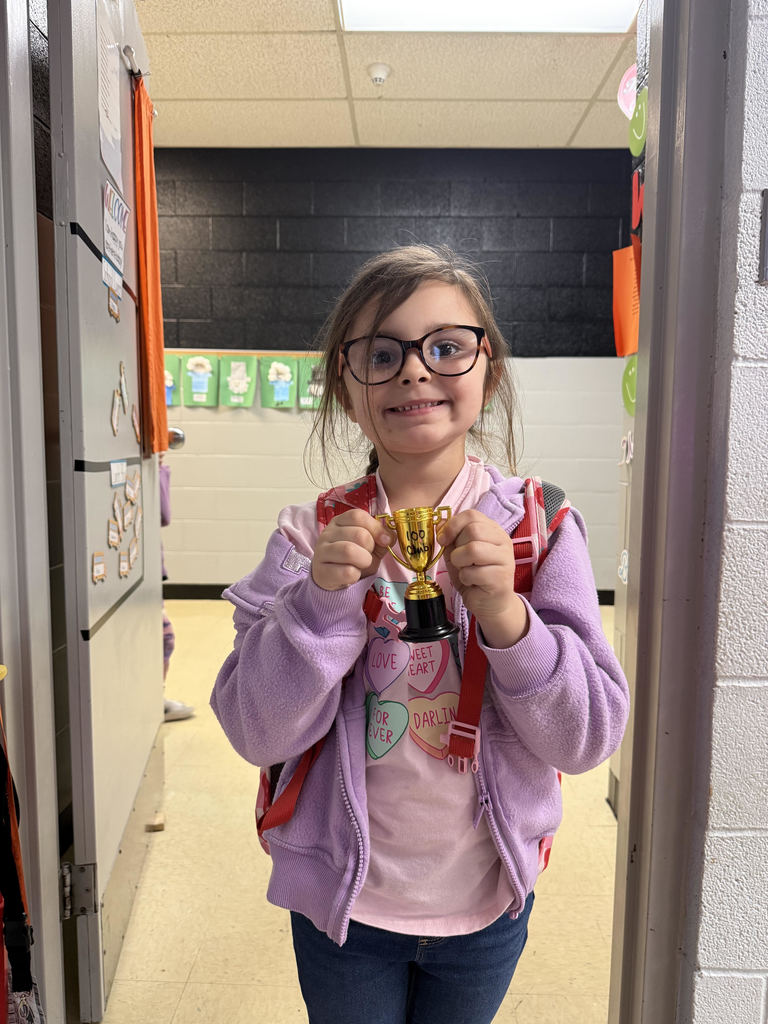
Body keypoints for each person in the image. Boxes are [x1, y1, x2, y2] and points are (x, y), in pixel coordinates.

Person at [210, 245, 629, 1024]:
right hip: (344, 907)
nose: (413, 371)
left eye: (445, 346)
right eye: (381, 353)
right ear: (346, 382)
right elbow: (254, 728)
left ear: (488, 369)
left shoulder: (542, 530)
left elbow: (588, 737)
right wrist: (319, 604)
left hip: (488, 900)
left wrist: (509, 619)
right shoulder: (307, 538)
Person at [159, 455, 194, 722]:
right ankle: (154, 698)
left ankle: (156, 697)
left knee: (164, 638)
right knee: (164, 637)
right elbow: (165, 513)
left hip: (151, 575)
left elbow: (163, 514)